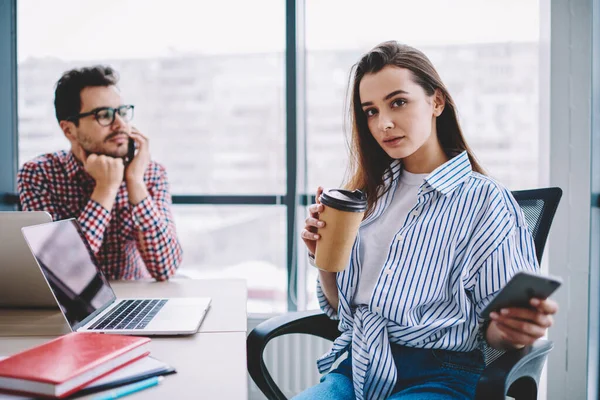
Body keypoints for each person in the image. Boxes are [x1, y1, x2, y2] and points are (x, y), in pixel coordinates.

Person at [297, 41, 558, 400]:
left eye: (398, 102)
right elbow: (342, 312)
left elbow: (495, 333)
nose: (383, 123)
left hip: (439, 375)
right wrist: (323, 258)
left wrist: (516, 330)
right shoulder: (366, 196)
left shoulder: (485, 201)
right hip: (356, 368)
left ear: (436, 102)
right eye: (370, 111)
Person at [18, 66, 183, 281]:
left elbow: (166, 269)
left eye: (122, 112)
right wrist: (106, 189)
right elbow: (60, 273)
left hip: (134, 302)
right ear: (69, 130)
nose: (121, 124)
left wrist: (135, 182)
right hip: (75, 308)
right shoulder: (40, 175)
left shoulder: (150, 173)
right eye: (104, 115)